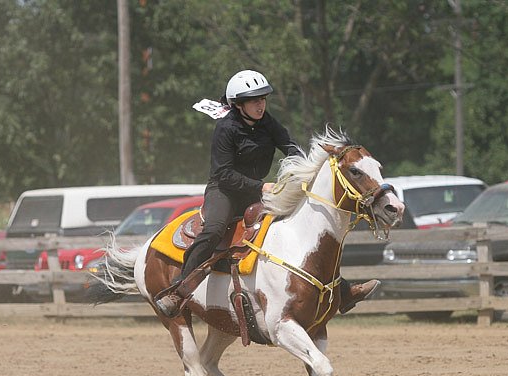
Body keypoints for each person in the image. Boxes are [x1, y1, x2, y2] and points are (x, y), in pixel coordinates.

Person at [155, 69, 379, 317]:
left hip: (256, 192)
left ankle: (343, 292)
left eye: (262, 99)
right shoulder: (225, 129)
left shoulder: (267, 122)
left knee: (300, 230)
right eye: (254, 100)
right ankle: (178, 291)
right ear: (239, 105)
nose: (260, 105)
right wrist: (260, 187)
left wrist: (303, 168)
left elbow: (289, 146)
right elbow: (223, 174)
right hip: (224, 191)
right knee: (214, 229)